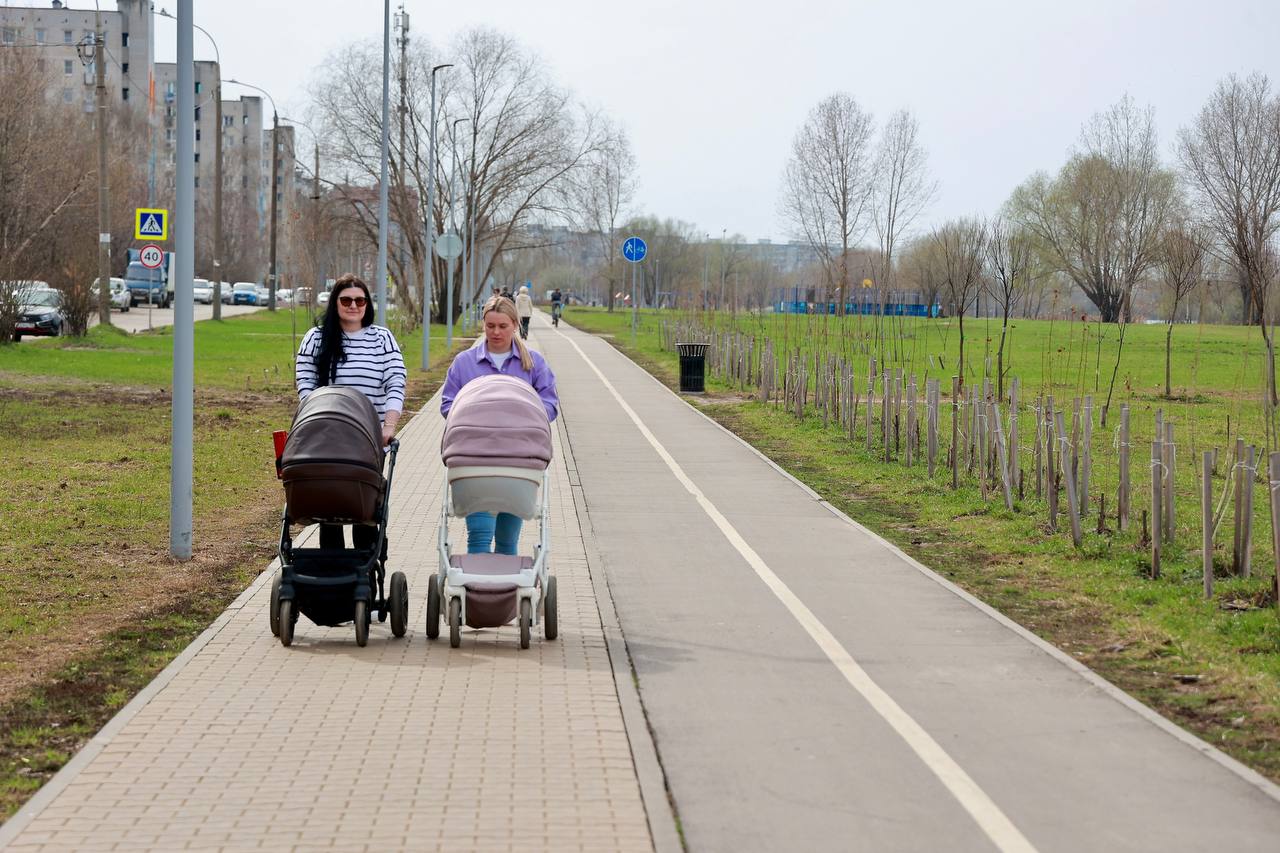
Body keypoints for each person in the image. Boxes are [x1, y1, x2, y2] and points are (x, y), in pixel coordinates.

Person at [295, 273, 406, 550]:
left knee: (363, 506)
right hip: (326, 437)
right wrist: (314, 423)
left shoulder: (382, 338)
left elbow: (396, 381)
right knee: (330, 506)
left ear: (368, 304)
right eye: (346, 299)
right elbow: (305, 383)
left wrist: (389, 427)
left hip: (368, 438)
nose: (353, 305)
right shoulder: (317, 338)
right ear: (335, 303)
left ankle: (364, 575)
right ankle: (332, 574)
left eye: (360, 300)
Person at [440, 295, 558, 555]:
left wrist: (525, 421)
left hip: (517, 460)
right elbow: (449, 403)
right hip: (475, 458)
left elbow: (549, 404)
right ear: (483, 324)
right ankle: (477, 591)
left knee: (507, 539)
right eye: (490, 325)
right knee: (480, 535)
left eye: (502, 326)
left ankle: (505, 592)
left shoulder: (533, 363)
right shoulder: (465, 363)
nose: (495, 332)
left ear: (515, 324)